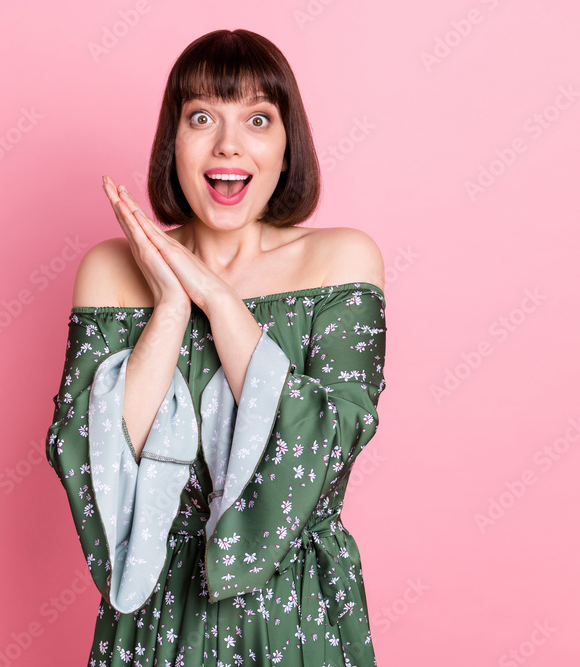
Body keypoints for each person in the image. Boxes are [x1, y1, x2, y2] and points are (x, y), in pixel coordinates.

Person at [45, 28, 387, 667]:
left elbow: (326, 441)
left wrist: (221, 301)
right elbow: (94, 455)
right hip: (154, 608)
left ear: (287, 151)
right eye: (202, 117)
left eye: (258, 119)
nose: (229, 143)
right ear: (172, 143)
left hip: (297, 605)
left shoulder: (341, 259)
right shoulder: (110, 270)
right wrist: (172, 307)